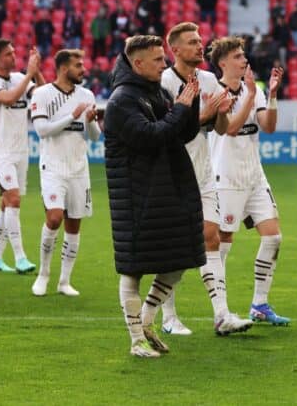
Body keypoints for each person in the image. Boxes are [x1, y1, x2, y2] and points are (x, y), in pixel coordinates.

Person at [104, 35, 205, 358]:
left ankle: (147, 319)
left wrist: (192, 103)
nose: (164, 64)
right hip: (136, 196)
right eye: (158, 60)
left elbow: (182, 132)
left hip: (164, 189)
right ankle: (136, 340)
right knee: (133, 268)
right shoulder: (121, 101)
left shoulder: (155, 92)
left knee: (180, 259)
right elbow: (150, 136)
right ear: (138, 64)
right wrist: (180, 108)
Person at [155, 23, 250, 335]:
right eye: (192, 42)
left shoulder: (208, 79)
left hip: (205, 172)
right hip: (173, 174)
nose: (200, 46)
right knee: (175, 246)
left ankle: (222, 315)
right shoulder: (165, 82)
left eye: (199, 40)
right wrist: (208, 113)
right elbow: (171, 129)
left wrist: (222, 111)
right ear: (175, 50)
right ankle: (168, 317)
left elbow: (220, 129)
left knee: (212, 236)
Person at [207, 36, 290, 326]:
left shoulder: (252, 89)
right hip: (225, 177)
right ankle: (222, 309)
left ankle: (259, 304)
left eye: (244, 56)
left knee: (273, 236)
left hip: (255, 175)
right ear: (223, 62)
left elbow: (268, 126)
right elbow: (230, 129)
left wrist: (273, 94)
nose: (245, 60)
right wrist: (252, 97)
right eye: (239, 56)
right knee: (223, 243)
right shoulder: (214, 90)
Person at [29, 49, 100, 297]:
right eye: (78, 65)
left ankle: (64, 281)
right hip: (53, 168)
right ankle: (43, 274)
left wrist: (90, 120)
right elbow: (42, 131)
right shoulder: (42, 94)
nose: (83, 69)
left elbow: (94, 136)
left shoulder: (87, 94)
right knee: (55, 217)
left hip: (79, 169)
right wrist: (72, 114)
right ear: (62, 68)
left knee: (74, 224)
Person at [0, 39, 42, 275]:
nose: (14, 57)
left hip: (21, 150)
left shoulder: (19, 78)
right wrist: (29, 75)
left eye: (14, 52)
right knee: (14, 199)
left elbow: (42, 94)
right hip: (0, 150)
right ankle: (20, 257)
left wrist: (37, 71)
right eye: (8, 54)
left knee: (7, 203)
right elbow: (8, 99)